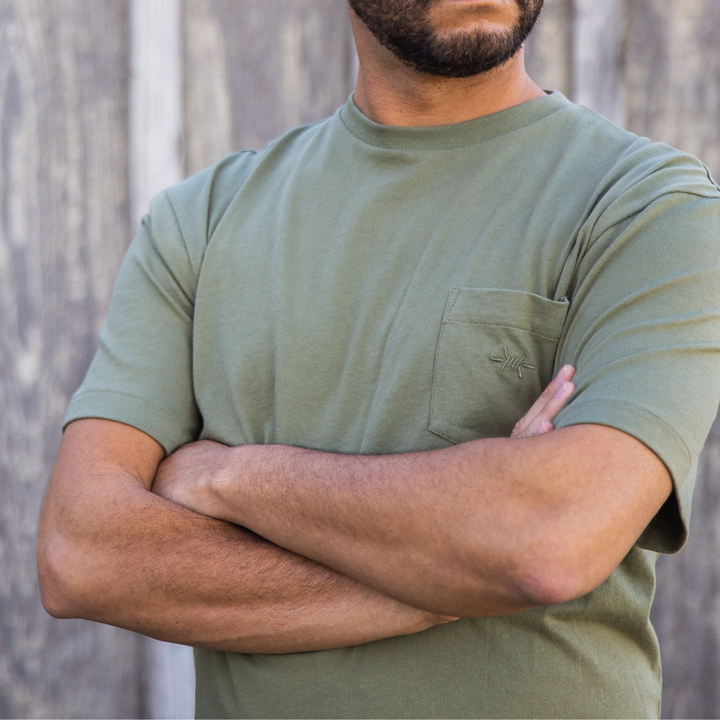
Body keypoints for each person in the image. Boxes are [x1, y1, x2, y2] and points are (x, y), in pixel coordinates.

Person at [38, 1, 720, 717]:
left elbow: (551, 541)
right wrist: (463, 569)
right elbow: (81, 555)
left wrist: (226, 477)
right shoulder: (200, 223)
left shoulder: (652, 210)